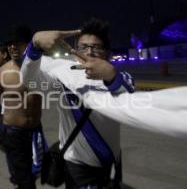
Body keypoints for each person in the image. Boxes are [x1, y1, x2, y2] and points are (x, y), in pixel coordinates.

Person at [20, 18, 135, 188]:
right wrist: (35, 46)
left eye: (96, 47)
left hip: (112, 161)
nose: (89, 52)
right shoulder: (62, 75)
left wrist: (110, 74)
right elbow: (31, 81)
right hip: (78, 166)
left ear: (107, 52)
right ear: (75, 51)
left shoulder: (119, 76)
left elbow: (130, 96)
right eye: (83, 47)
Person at [0, 25, 47, 189]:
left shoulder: (42, 68)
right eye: (10, 44)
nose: (13, 47)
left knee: (38, 172)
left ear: (28, 44)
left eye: (18, 43)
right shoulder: (1, 73)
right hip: (14, 133)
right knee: (24, 180)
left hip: (35, 131)